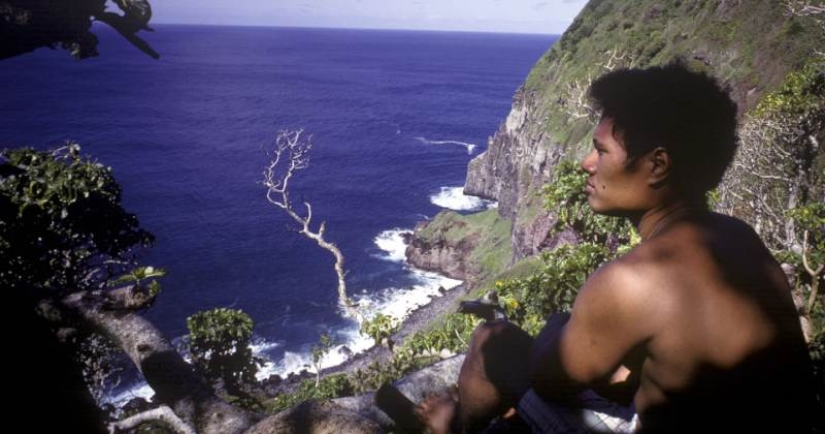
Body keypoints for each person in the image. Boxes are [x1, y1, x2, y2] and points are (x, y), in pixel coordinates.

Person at [416, 62, 815, 433]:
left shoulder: (635, 280)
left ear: (657, 165)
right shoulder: (738, 236)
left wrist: (557, 324)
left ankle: (453, 428)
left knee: (492, 338)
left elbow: (549, 380)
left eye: (602, 150)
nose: (587, 163)